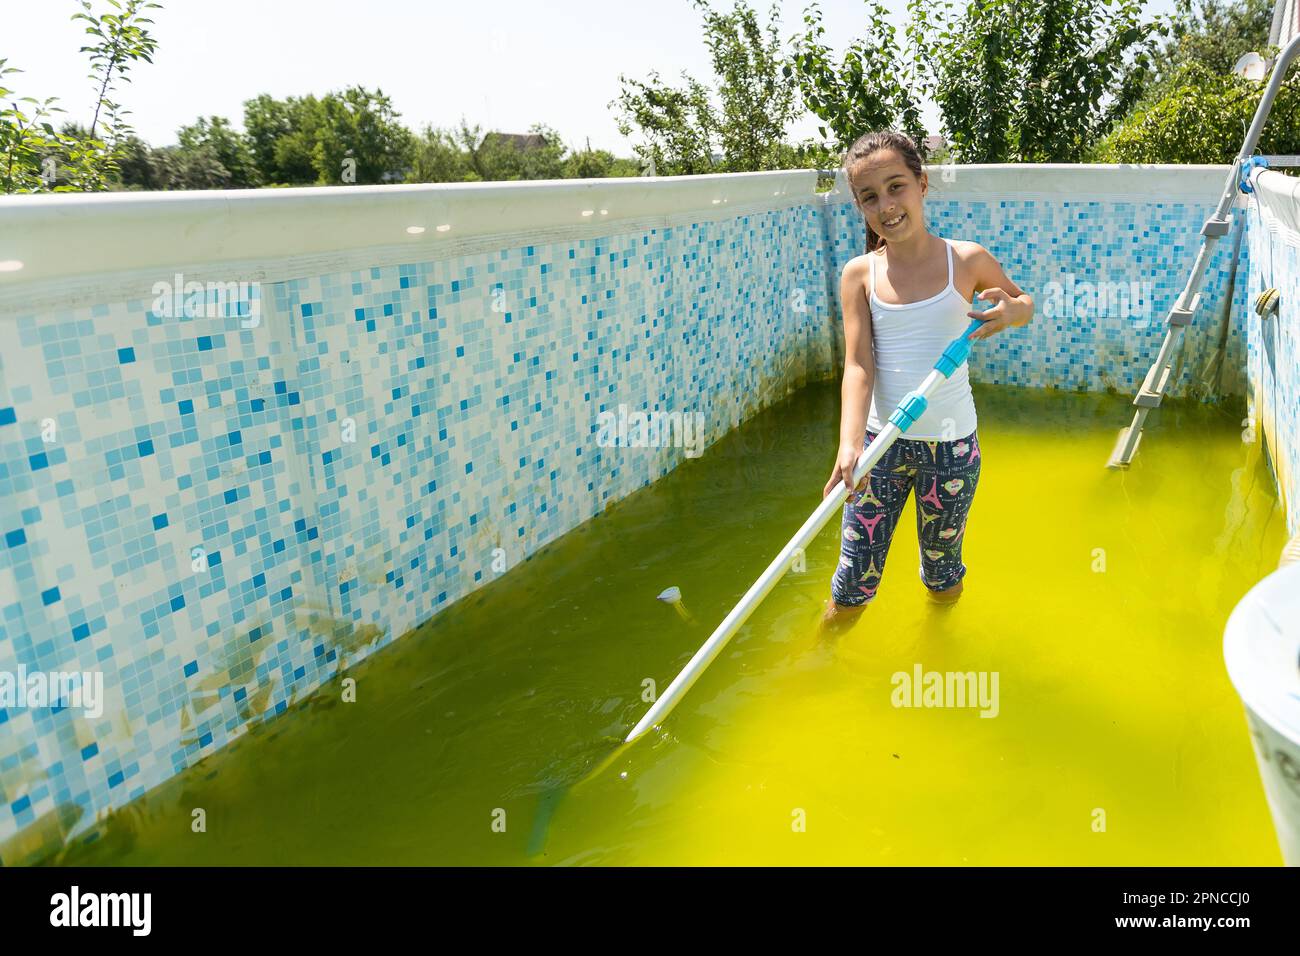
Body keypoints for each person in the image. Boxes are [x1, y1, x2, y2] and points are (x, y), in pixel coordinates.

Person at [821, 130, 1034, 634]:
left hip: (951, 448)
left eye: (897, 187)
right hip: (879, 450)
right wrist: (850, 445)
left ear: (922, 184)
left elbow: (1023, 303)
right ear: (860, 206)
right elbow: (858, 365)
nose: (886, 205)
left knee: (942, 573)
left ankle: (938, 646)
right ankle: (821, 661)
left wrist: (1011, 313)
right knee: (853, 579)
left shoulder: (966, 260)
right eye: (869, 197)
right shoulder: (858, 275)